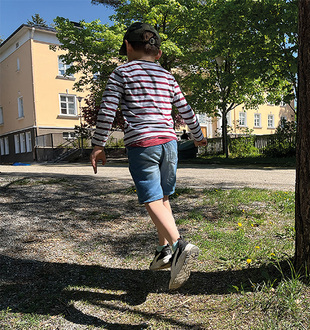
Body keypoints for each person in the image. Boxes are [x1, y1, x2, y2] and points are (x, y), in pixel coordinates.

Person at [89, 22, 207, 290]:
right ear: (159, 53)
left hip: (142, 144)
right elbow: (185, 109)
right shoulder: (167, 77)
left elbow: (108, 110)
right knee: (162, 197)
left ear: (128, 47)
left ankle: (179, 246)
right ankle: (164, 250)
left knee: (150, 198)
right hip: (169, 144)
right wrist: (198, 135)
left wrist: (98, 144)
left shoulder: (121, 73)